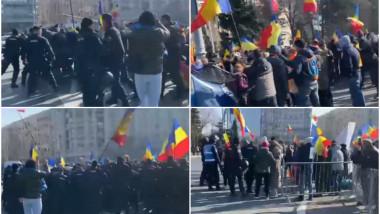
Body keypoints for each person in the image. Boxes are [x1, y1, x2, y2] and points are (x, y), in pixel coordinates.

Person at [128, 11, 170, 107]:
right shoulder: (158, 33)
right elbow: (168, 33)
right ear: (153, 21)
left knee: (143, 98)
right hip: (155, 72)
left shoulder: (133, 33)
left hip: (139, 71)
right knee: (154, 100)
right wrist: (160, 24)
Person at [280, 39, 320, 106]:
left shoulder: (300, 56)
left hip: (305, 84)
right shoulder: (312, 54)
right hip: (314, 80)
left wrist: (287, 77)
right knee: (316, 103)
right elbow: (293, 63)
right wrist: (282, 57)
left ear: (296, 46)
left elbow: (296, 71)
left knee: (302, 103)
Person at [76, 18, 106, 106]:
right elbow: (102, 51)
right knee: (96, 89)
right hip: (93, 66)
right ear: (90, 25)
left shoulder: (79, 35)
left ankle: (87, 106)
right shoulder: (93, 36)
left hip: (81, 66)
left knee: (85, 90)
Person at [20, 26, 58, 95]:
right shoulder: (43, 39)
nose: (41, 32)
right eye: (40, 31)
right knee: (49, 74)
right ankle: (55, 88)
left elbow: (23, 51)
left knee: (32, 76)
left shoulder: (27, 40)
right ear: (38, 31)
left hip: (32, 61)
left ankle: (30, 91)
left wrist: (23, 59)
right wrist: (52, 56)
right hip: (42, 60)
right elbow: (49, 49)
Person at [102, 14, 129, 106]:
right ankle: (114, 98)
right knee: (115, 80)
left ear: (105, 21)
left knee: (116, 81)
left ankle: (125, 101)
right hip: (118, 58)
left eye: (103, 21)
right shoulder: (114, 29)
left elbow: (106, 44)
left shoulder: (110, 31)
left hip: (115, 59)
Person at [161, 14, 185, 98]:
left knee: (174, 74)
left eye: (164, 20)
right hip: (166, 55)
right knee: (163, 74)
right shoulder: (165, 28)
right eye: (162, 20)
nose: (163, 22)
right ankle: (160, 94)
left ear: (168, 20)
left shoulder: (173, 29)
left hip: (174, 54)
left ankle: (180, 91)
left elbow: (173, 41)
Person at [339, 36, 366, 106]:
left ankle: (360, 107)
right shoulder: (354, 49)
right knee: (358, 92)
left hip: (353, 75)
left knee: (356, 94)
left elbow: (348, 64)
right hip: (358, 72)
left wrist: (348, 74)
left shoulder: (347, 50)